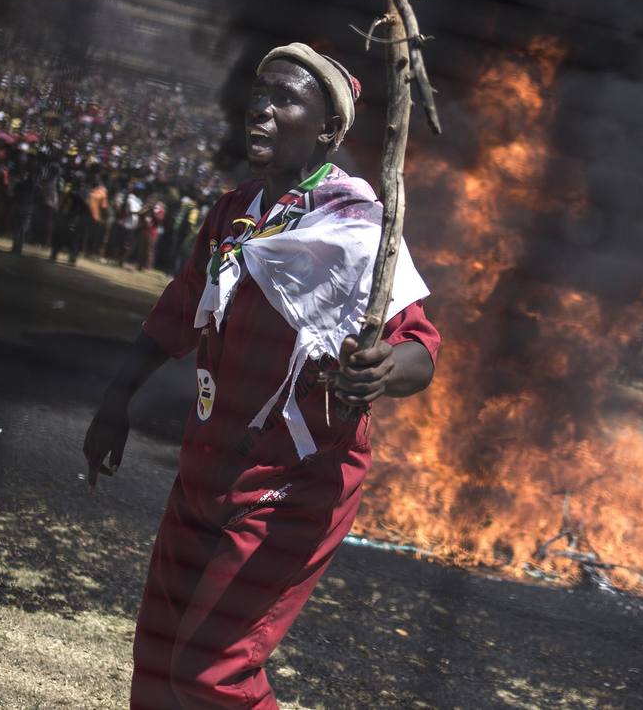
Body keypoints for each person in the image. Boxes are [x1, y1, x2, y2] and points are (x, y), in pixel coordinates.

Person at [83, 43, 440, 709]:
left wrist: (384, 369)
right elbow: (176, 314)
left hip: (293, 486)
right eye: (258, 93)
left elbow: (419, 350)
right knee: (159, 667)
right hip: (205, 470)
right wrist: (114, 403)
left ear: (328, 130)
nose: (261, 108)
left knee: (213, 676)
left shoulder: (356, 225)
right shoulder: (232, 214)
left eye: (284, 99)